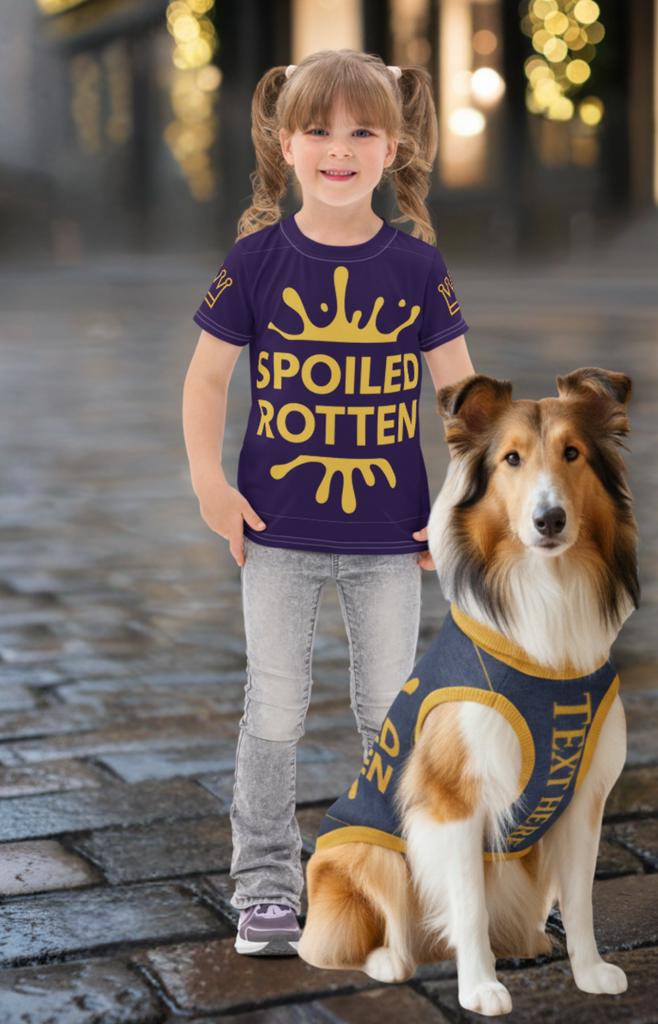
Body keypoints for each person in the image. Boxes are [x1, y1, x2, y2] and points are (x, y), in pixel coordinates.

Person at [182, 49, 474, 956]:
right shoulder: (256, 260)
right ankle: (266, 886)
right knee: (273, 707)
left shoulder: (417, 267)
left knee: (389, 710)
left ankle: (392, 875)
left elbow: (462, 399)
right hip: (276, 533)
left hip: (391, 539)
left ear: (393, 149)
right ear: (286, 144)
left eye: (361, 132)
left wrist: (458, 503)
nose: (338, 150)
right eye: (318, 131)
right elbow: (206, 379)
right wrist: (209, 482)